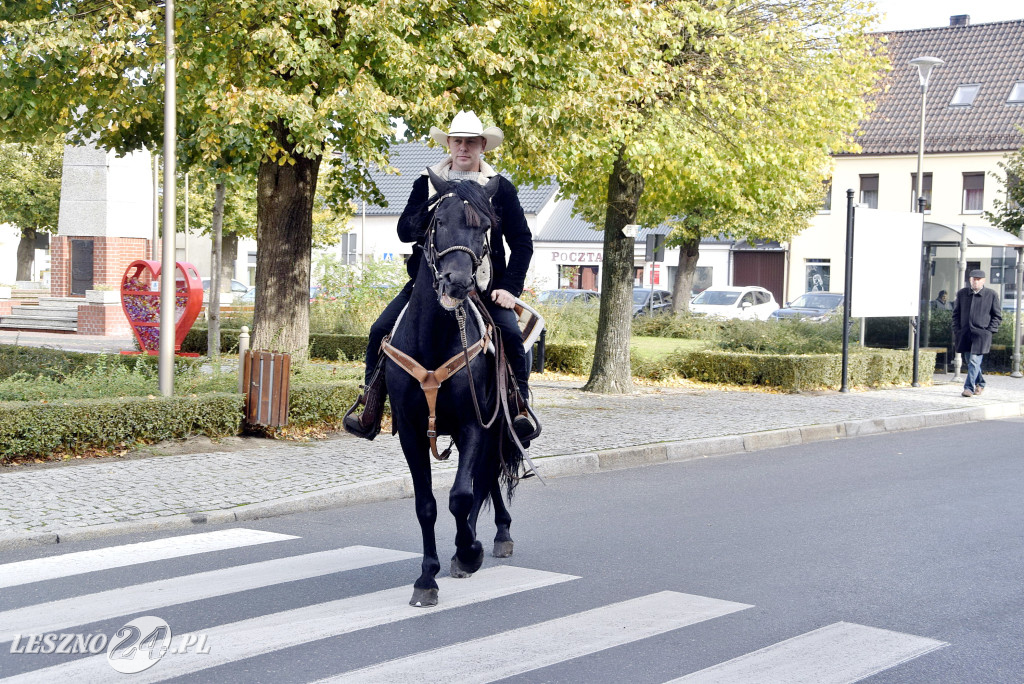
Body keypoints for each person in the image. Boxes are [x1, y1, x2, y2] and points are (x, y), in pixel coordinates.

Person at [344, 110, 536, 443]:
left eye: (471, 142)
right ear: (449, 143)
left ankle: (520, 407)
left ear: (482, 147)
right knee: (379, 330)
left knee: (510, 335)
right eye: (458, 141)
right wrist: (437, 212)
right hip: (428, 284)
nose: (464, 148)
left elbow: (521, 242)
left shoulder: (500, 189)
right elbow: (405, 231)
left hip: (486, 287)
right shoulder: (427, 181)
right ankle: (370, 405)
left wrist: (509, 288)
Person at [952, 270, 1002, 397]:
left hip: (981, 335)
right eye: (974, 279)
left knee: (974, 361)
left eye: (979, 279)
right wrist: (957, 330)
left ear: (983, 280)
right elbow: (956, 314)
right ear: (970, 280)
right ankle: (981, 383)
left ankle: (968, 388)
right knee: (970, 362)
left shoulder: (991, 294)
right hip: (965, 333)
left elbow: (997, 316)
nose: (976, 281)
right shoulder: (962, 294)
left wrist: (989, 331)